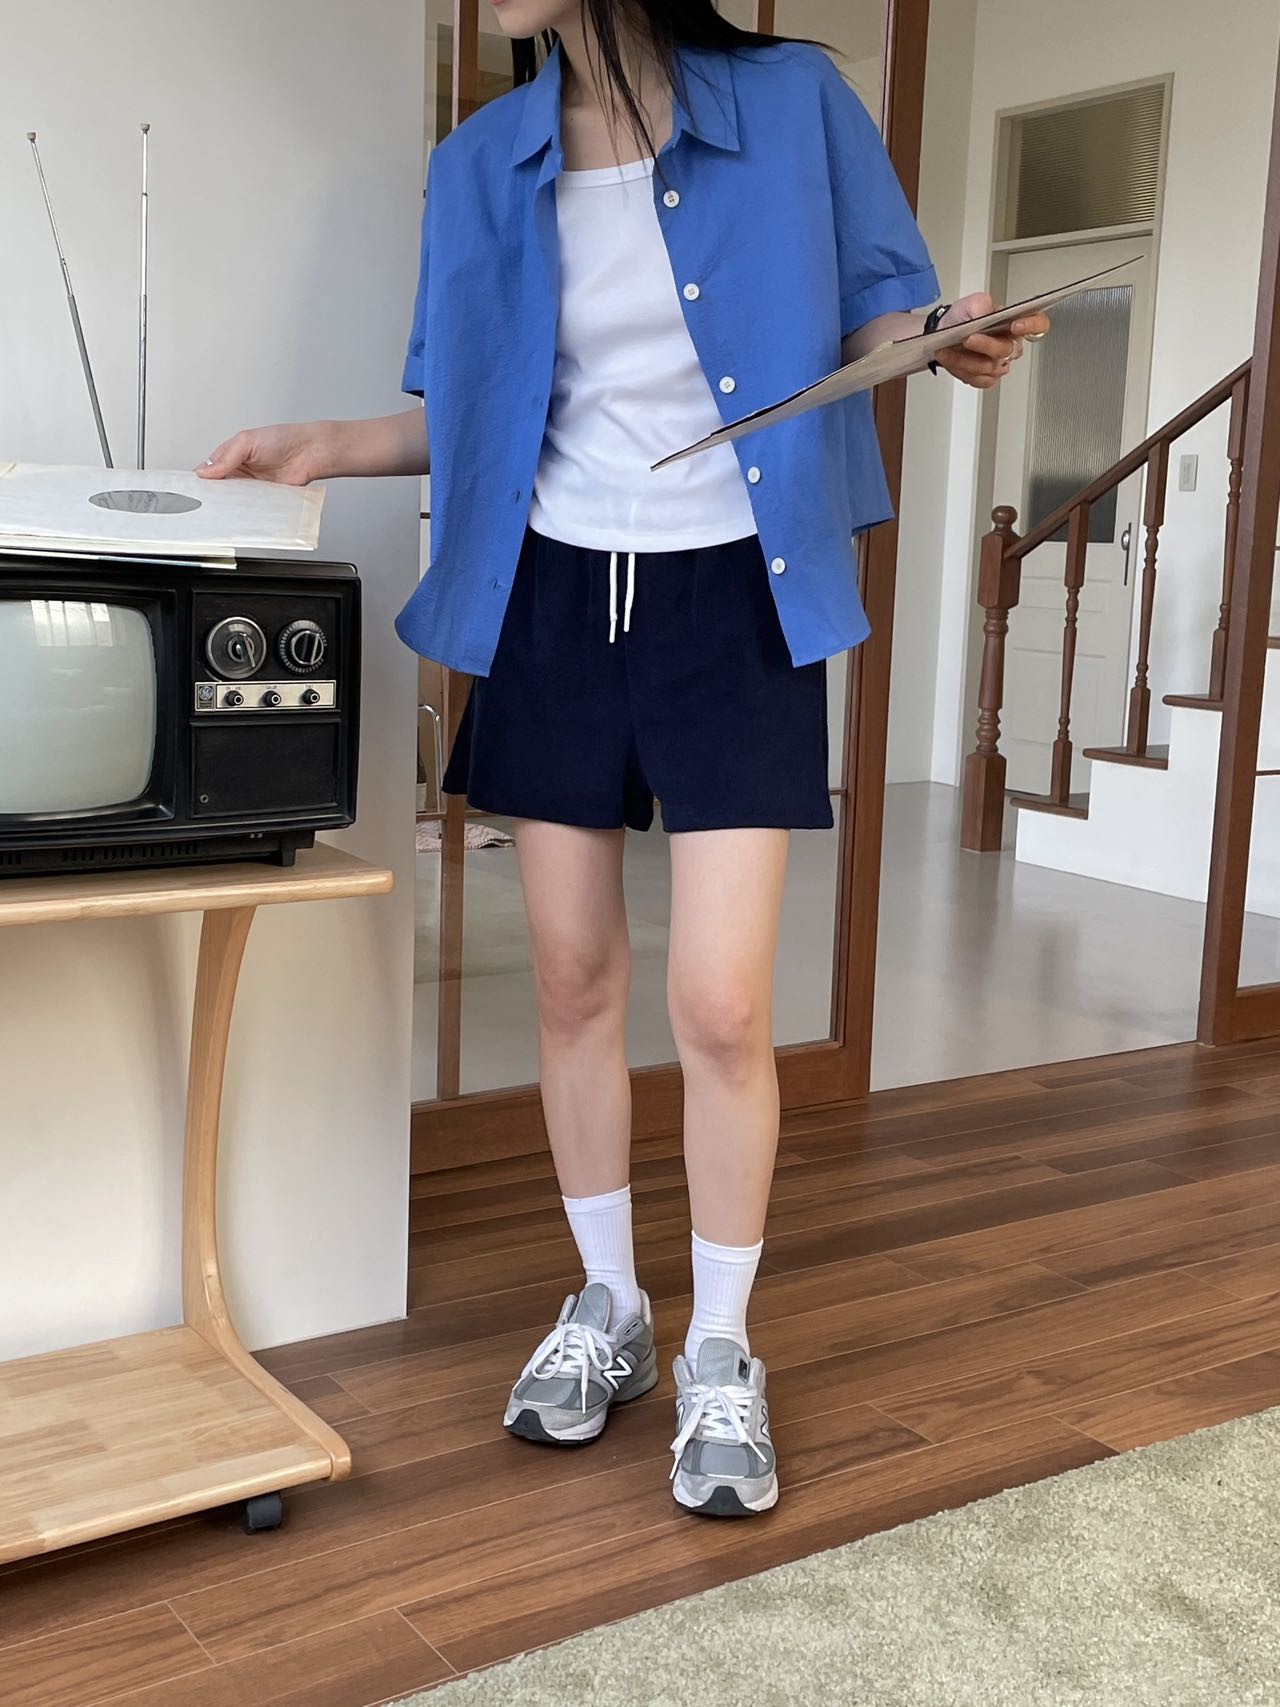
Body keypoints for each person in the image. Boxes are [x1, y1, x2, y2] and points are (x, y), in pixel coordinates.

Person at [201, 0, 1048, 1519]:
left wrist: (938, 338)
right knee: (575, 980)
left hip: (736, 594)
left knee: (720, 1002)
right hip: (550, 594)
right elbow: (468, 411)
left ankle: (724, 1344)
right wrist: (320, 444)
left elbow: (874, 318)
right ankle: (613, 1304)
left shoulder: (792, 103)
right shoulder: (479, 163)